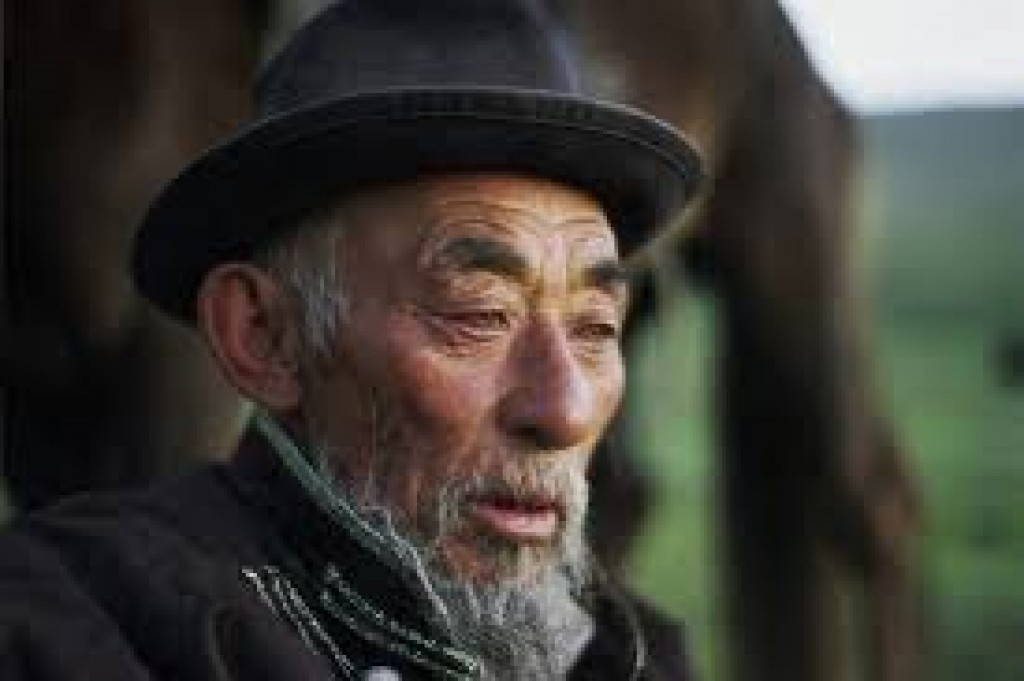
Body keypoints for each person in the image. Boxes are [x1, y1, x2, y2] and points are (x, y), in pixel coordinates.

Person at [0, 1, 704, 678]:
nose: (566, 411)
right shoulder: (75, 630)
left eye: (595, 328)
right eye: (480, 314)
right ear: (263, 335)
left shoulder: (633, 657)